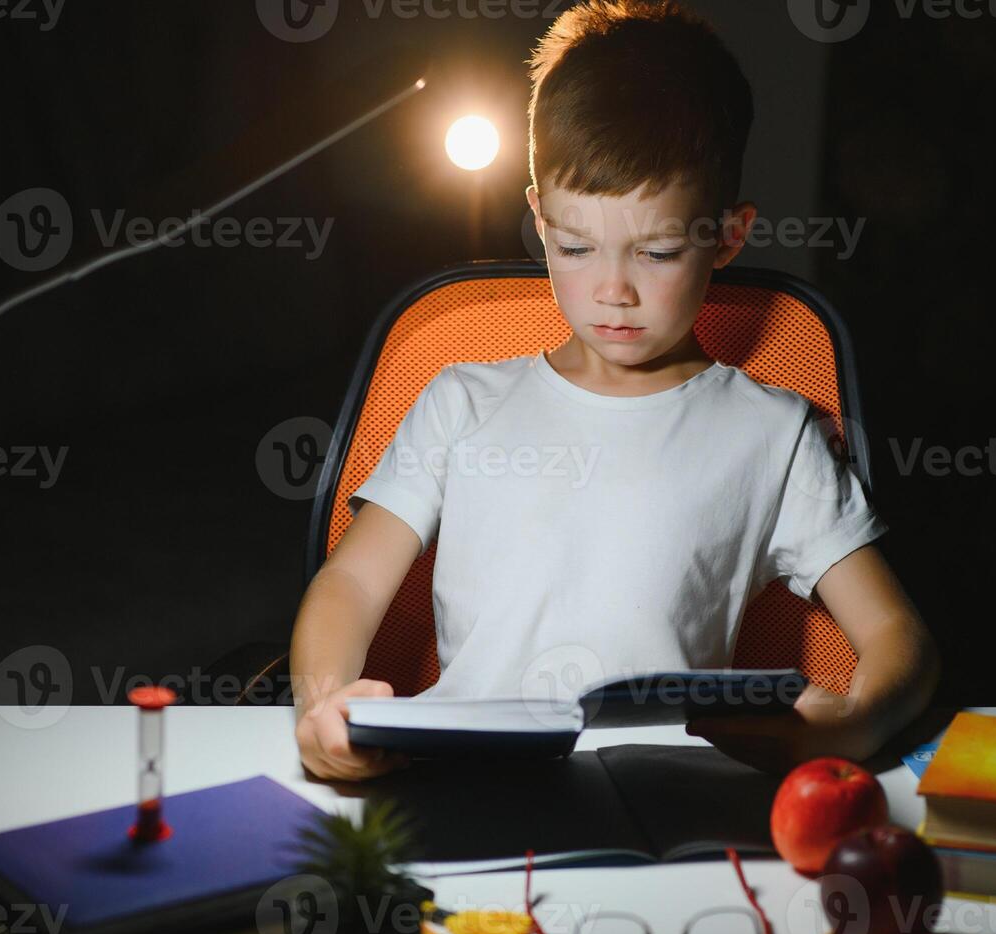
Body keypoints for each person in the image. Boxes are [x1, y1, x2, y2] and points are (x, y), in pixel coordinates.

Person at [293, 0, 939, 780]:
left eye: (658, 251)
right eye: (574, 245)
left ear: (727, 236)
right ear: (537, 218)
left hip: (671, 794)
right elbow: (352, 581)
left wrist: (857, 723)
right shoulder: (461, 401)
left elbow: (899, 636)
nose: (612, 291)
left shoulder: (773, 433)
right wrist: (321, 707)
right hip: (464, 779)